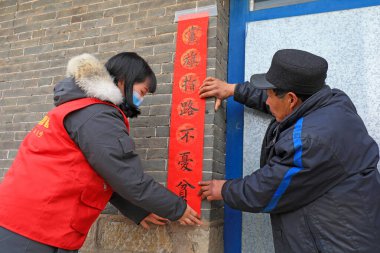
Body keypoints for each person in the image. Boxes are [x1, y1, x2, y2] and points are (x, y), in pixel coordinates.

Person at [0, 52, 202, 253]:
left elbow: (105, 172)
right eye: (142, 91)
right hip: (34, 227)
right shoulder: (98, 114)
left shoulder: (81, 108)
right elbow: (125, 175)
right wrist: (178, 208)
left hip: (28, 220)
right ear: (124, 81)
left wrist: (137, 211)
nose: (141, 99)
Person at [198, 49, 380, 253]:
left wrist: (223, 189)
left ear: (291, 99)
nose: (266, 101)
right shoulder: (333, 102)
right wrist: (233, 90)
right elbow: (282, 103)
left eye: (269, 95)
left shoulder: (308, 142)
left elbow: (266, 190)